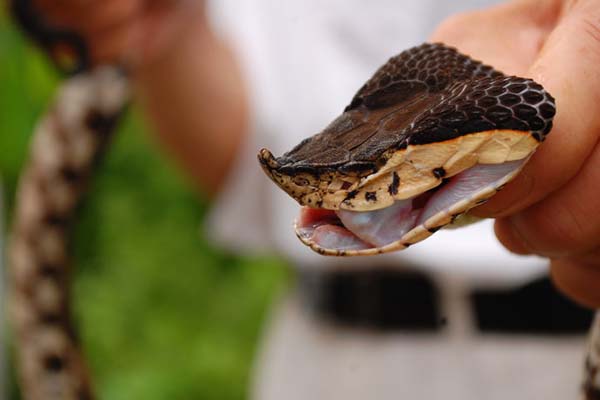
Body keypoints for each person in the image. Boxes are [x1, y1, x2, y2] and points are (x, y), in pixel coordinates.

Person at [32, 0, 600, 398]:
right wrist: (158, 33)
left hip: (565, 341)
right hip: (324, 358)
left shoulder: (503, 114)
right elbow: (248, 159)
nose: (355, 200)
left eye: (386, 180)